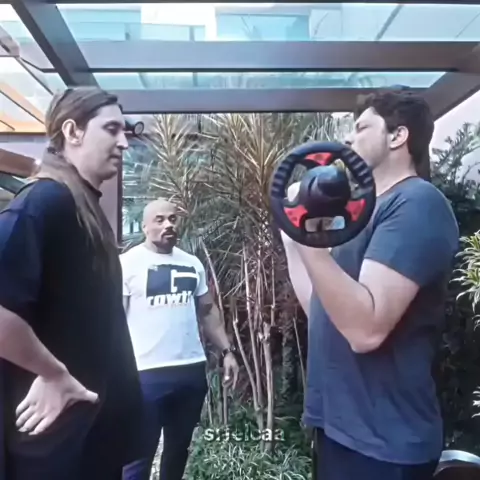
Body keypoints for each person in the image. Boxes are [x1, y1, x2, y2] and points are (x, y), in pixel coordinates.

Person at [282, 89, 459, 480]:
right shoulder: (362, 213)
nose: (349, 138)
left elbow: (365, 331)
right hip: (340, 430)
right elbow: (324, 310)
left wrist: (309, 239)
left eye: (362, 127)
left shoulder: (416, 203)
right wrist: (293, 238)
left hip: (384, 443)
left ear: (398, 136)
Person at [0, 86, 143, 480]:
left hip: (88, 442)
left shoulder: (81, 205)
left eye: (125, 131)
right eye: (111, 129)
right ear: (72, 131)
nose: (123, 143)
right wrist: (53, 374)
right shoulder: (43, 203)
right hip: (52, 450)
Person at [121, 198, 239, 480]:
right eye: (160, 220)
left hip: (190, 371)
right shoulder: (127, 264)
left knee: (178, 451)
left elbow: (207, 311)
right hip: (144, 372)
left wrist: (227, 351)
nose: (168, 225)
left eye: (173, 219)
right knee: (138, 455)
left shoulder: (192, 263)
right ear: (145, 226)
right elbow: (114, 319)